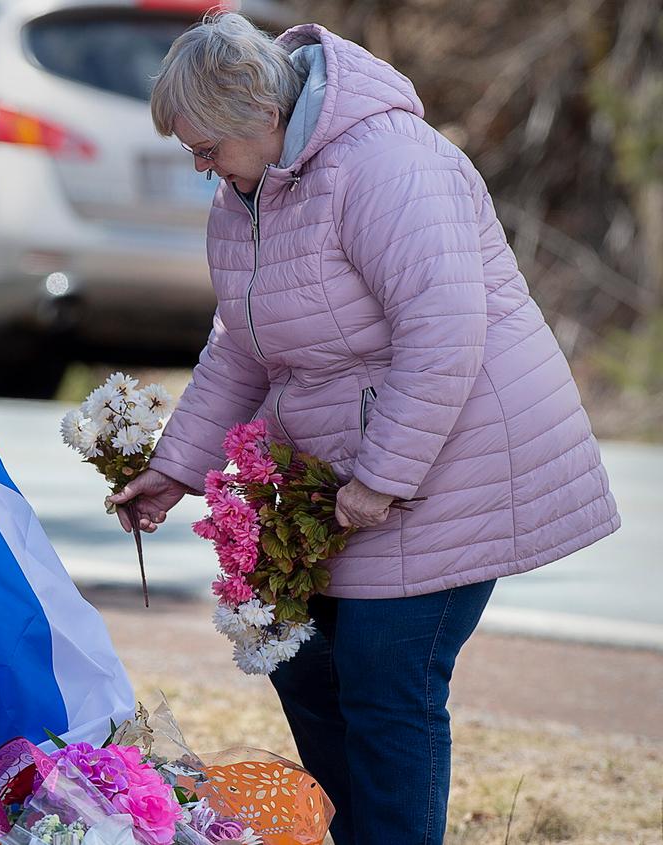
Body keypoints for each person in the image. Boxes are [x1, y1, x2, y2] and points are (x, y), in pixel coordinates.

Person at [108, 13, 619, 845]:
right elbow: (242, 343)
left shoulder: (388, 165)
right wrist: (177, 467)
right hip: (351, 473)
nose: (199, 167)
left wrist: (383, 475)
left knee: (387, 680)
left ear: (262, 115)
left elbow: (446, 329)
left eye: (206, 148)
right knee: (305, 662)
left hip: (455, 456)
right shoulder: (247, 196)